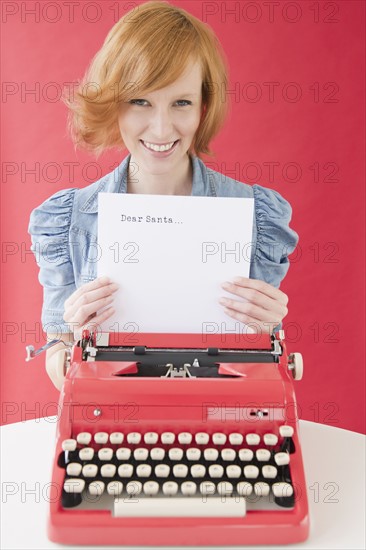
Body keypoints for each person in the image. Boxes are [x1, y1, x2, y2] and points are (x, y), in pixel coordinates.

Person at [28, 0, 298, 389]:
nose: (160, 128)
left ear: (203, 108)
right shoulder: (65, 220)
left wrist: (271, 328)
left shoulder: (258, 217)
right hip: (110, 411)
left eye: (181, 103)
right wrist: (69, 340)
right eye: (140, 101)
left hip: (219, 408)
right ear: (114, 104)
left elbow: (260, 367)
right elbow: (58, 364)